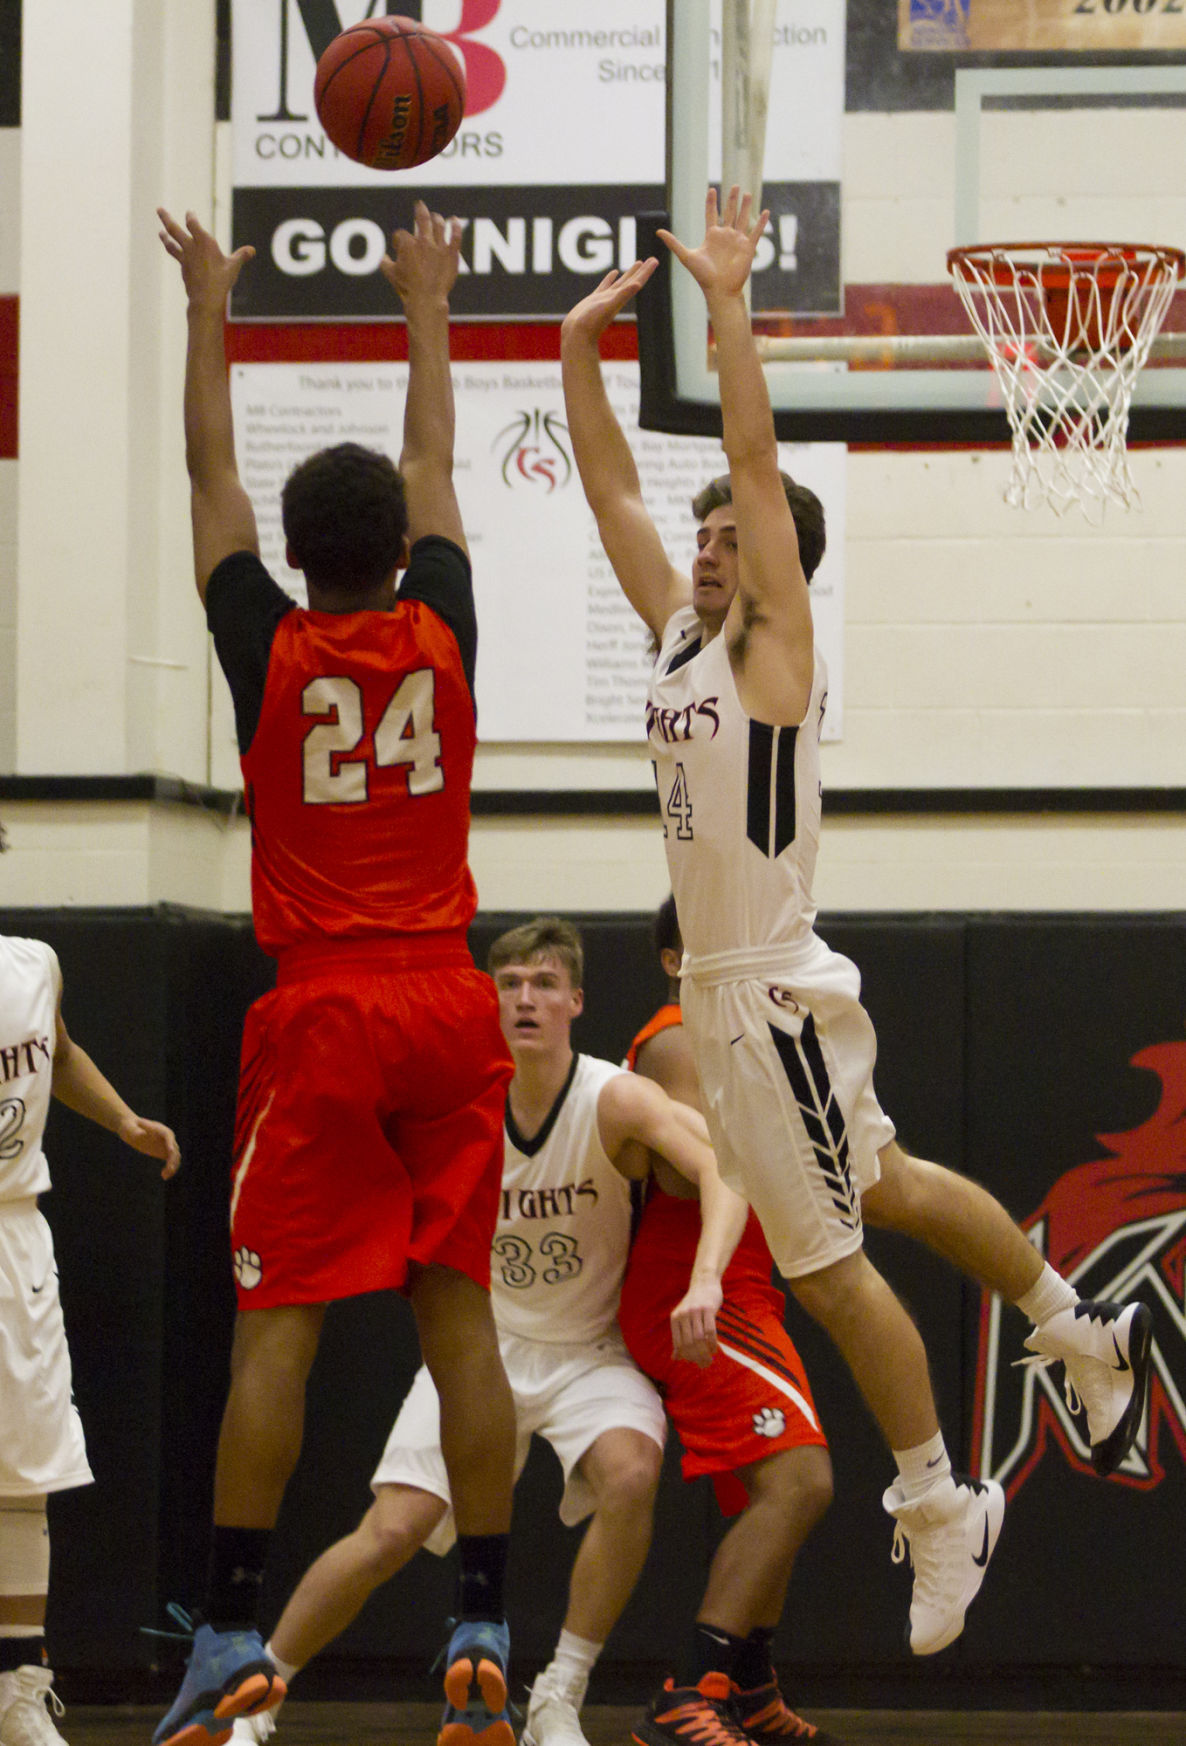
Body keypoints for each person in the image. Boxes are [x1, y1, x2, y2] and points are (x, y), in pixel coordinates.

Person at [560, 187, 1153, 1675]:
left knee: (828, 1268)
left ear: (768, 565)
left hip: (760, 992)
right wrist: (575, 356)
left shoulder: (775, 646)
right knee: (880, 1182)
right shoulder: (682, 640)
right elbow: (614, 496)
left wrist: (731, 304)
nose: (701, 545)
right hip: (737, 987)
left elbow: (751, 454)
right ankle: (1071, 1321)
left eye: (725, 534)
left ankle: (938, 1494)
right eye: (698, 534)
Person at [155, 203, 517, 1746]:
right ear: (398, 551)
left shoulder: (265, 643)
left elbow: (208, 479)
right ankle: (487, 1605)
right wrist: (426, 305)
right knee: (464, 1326)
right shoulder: (447, 627)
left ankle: (233, 1621)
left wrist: (210, 311)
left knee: (279, 1329)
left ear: (300, 561)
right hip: (449, 992)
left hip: (322, 1005)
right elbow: (434, 462)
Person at [230, 915, 741, 1746]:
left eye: (544, 983)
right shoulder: (451, 1102)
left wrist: (708, 1276)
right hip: (478, 1351)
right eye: (508, 984)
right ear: (484, 1000)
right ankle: (258, 1695)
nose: (526, 999)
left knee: (633, 1472)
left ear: (576, 999)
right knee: (389, 1529)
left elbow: (723, 1165)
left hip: (586, 1354)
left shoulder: (614, 1097)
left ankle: (557, 1699)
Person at [619, 895, 839, 1746]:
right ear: (677, 961)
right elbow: (690, 1178)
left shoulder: (740, 1032)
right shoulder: (677, 1036)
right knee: (802, 1481)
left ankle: (747, 1685)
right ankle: (688, 1692)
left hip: (740, 1289)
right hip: (694, 1294)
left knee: (766, 1491)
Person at [0, 933, 180, 1746]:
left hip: (15, 1240)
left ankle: (16, 1693)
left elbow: (61, 1051)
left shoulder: (33, 963)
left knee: (25, 1470)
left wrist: (121, 1120)